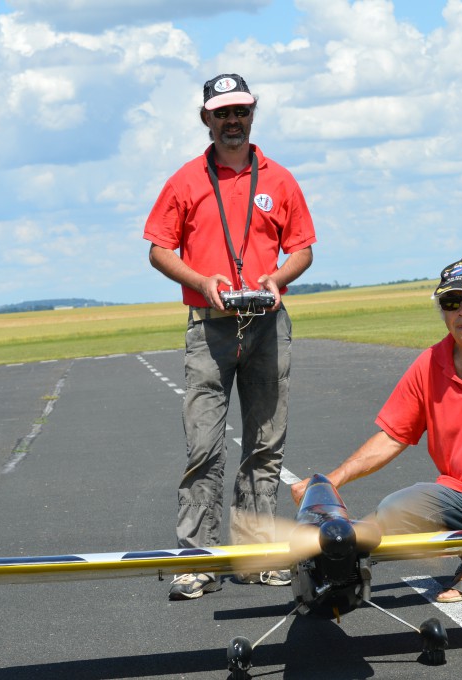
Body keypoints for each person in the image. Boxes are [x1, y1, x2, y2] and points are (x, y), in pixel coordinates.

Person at [291, 258, 462, 607]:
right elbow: (393, 435)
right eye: (451, 303)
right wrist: (329, 481)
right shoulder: (430, 363)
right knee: (393, 511)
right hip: (459, 494)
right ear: (442, 312)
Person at [144, 73, 317, 600]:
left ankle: (258, 556)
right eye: (222, 113)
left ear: (253, 113)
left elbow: (304, 248)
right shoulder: (184, 181)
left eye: (240, 110)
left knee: (266, 445)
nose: (232, 121)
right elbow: (158, 249)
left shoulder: (281, 179)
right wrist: (202, 282)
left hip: (267, 325)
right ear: (206, 119)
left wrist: (276, 280)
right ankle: (197, 559)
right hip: (210, 328)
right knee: (203, 446)